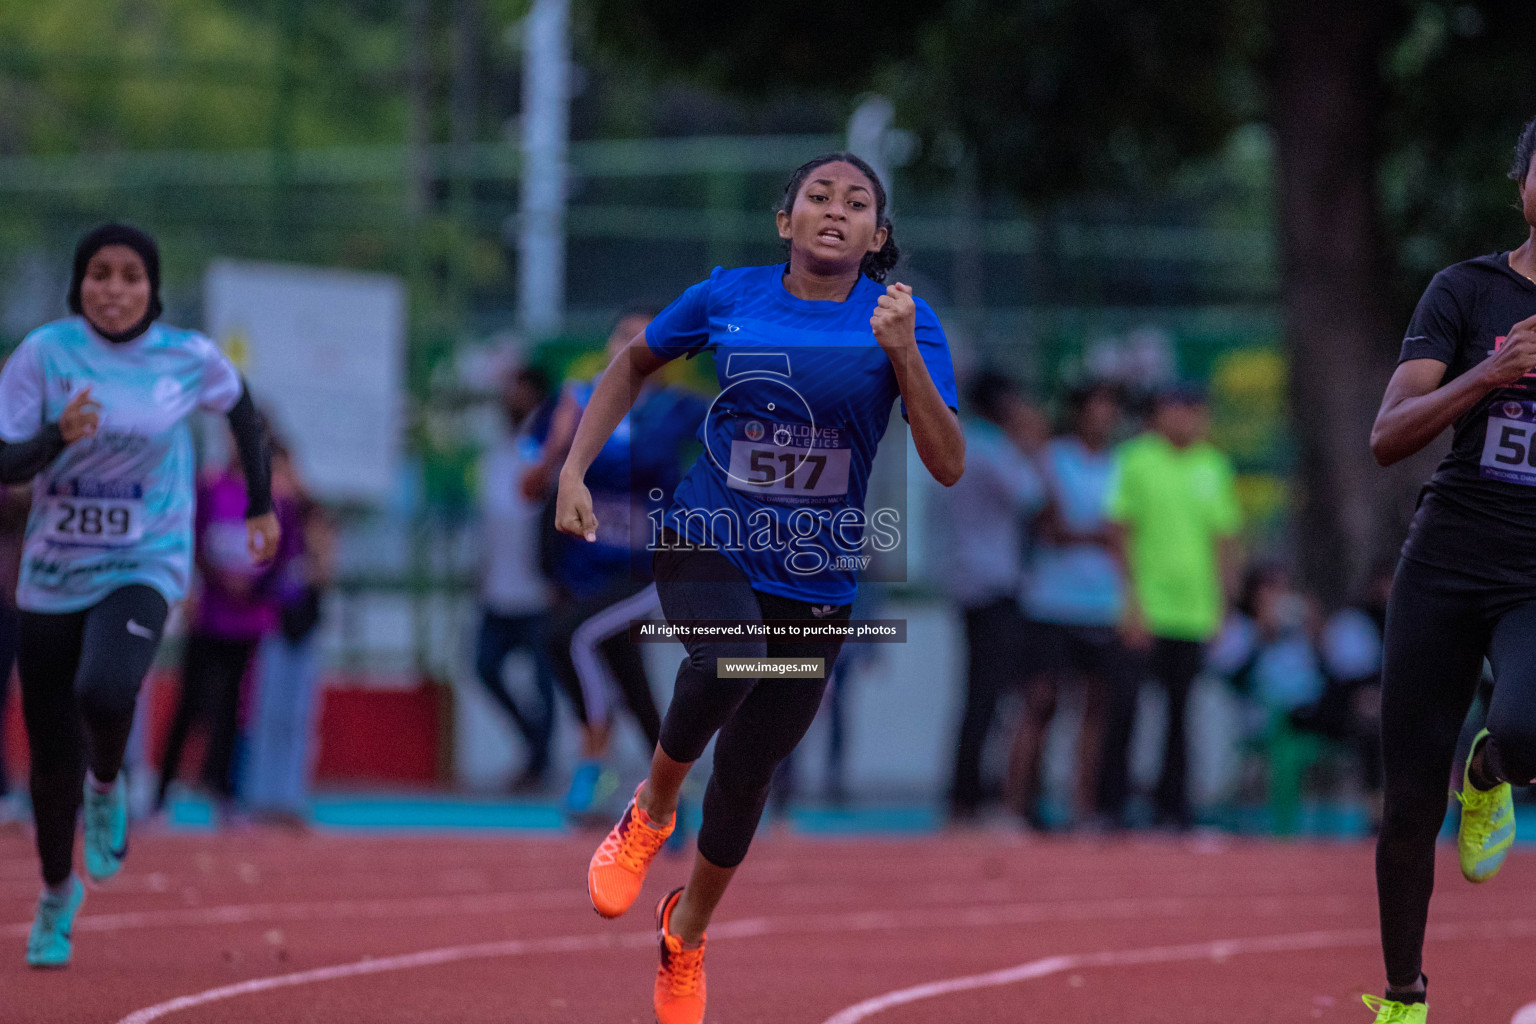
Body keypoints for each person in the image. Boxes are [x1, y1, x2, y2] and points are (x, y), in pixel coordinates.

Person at [557, 152, 961, 1024]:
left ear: (877, 237)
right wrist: (574, 470)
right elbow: (632, 363)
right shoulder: (727, 296)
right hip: (709, 534)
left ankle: (687, 933)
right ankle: (653, 805)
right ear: (786, 220)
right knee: (728, 659)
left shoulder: (903, 321)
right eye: (818, 195)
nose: (834, 210)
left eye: (857, 203)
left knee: (747, 769)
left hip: (815, 579)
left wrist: (904, 358)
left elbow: (947, 461)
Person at [0, 223, 276, 968]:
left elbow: (243, 409)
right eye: (99, 274)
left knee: (109, 686)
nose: (113, 289)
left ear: (152, 288)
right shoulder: (44, 355)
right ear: (78, 283)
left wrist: (259, 502)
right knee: (47, 757)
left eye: (129, 276)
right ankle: (58, 896)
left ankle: (108, 782)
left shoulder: (186, 357)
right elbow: (5, 462)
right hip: (53, 572)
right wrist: (58, 437)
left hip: (144, 557)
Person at [1357, 116, 1536, 1023]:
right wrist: (1493, 375)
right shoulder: (1466, 292)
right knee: (1407, 802)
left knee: (1532, 729)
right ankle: (1402, 997)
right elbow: (1389, 435)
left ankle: (1494, 768)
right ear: (1523, 181)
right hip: (1450, 554)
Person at [527, 306, 709, 818]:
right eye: (622, 336)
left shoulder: (677, 409)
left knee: (566, 637)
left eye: (644, 339)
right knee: (632, 683)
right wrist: (557, 452)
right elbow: (525, 486)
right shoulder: (574, 401)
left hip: (645, 569)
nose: (630, 347)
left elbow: (740, 440)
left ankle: (593, 760)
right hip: (581, 570)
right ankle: (670, 795)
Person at [1102, 382, 1241, 830]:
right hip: (1145, 610)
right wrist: (1131, 601)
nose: (1186, 419)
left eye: (1194, 410)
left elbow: (1224, 540)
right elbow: (1120, 532)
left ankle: (1173, 809)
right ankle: (1112, 807)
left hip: (1193, 613)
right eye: (1176, 409)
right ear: (1160, 413)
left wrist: (1222, 606)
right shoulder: (1136, 459)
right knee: (1125, 709)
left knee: (1181, 716)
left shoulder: (1214, 465)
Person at [1009, 381, 1133, 831]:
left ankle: (1083, 811)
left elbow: (1124, 533)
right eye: (1095, 407)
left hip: (1103, 604)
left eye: (1110, 409)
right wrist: (1099, 536)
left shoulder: (1123, 465)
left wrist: (1096, 537)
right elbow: (1049, 525)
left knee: (1095, 712)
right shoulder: (1052, 457)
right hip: (1050, 602)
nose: (1103, 417)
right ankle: (1017, 806)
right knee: (1040, 703)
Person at [156, 437, 296, 816]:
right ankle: (160, 795)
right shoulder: (212, 487)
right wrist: (215, 579)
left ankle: (225, 794)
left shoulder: (275, 498)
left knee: (236, 711)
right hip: (209, 616)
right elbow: (193, 540)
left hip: (249, 620)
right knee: (190, 704)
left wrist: (254, 586)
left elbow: (284, 554)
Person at [937, 370, 1047, 822]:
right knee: (988, 694)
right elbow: (1032, 496)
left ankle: (965, 793)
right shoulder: (991, 447)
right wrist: (1034, 446)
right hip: (993, 583)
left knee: (978, 693)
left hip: (968, 579)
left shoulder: (960, 440)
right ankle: (969, 795)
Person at [0, 385, 102, 826]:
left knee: (67, 693)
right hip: (11, 591)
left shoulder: (65, 444)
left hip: (57, 588)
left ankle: (72, 791)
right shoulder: (25, 451)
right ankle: (7, 788)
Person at [472, 365, 559, 793]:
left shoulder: (550, 450)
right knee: (484, 666)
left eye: (519, 391)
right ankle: (532, 745)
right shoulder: (498, 450)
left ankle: (539, 763)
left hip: (539, 590)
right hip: (498, 586)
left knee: (544, 681)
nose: (510, 399)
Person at [245, 442, 335, 826]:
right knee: (266, 714)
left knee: (297, 717)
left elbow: (325, 567)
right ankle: (261, 797)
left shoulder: (310, 514)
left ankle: (290, 796)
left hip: (303, 625)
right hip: (271, 622)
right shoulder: (262, 514)